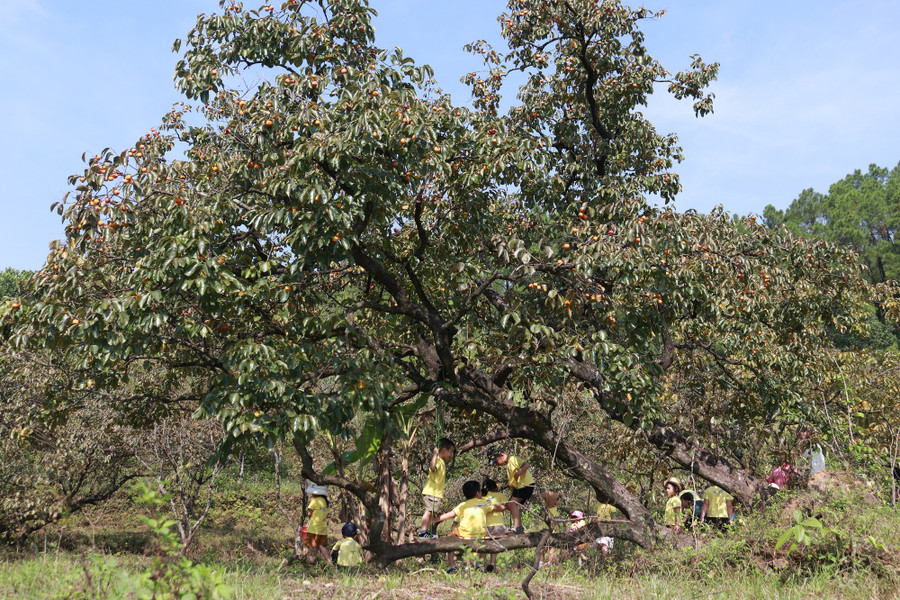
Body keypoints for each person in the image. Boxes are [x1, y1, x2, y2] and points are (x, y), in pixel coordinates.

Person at [433, 480, 488, 572]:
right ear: (478, 493)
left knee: (449, 539)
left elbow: (451, 514)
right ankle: (480, 565)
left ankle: (451, 566)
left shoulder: (464, 505)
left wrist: (436, 519)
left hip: (464, 532)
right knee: (485, 543)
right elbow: (497, 507)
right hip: (481, 533)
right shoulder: (485, 503)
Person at [489, 449, 535, 534]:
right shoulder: (508, 466)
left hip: (525, 485)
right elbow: (512, 483)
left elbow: (526, 465)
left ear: (502, 455)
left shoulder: (513, 459)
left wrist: (519, 473)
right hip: (519, 488)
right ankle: (518, 527)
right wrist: (512, 491)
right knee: (510, 504)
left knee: (511, 504)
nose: (496, 464)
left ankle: (518, 528)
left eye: (496, 461)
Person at [418, 437, 455, 539]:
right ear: (444, 450)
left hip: (436, 494)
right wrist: (434, 454)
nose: (451, 455)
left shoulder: (442, 462)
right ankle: (423, 531)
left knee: (432, 513)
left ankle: (426, 532)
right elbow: (432, 467)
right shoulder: (438, 460)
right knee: (429, 511)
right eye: (450, 452)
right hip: (431, 492)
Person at [481, 478, 509, 572]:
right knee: (495, 544)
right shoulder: (499, 495)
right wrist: (501, 508)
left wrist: (492, 508)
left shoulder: (481, 496)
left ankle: (481, 564)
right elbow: (509, 505)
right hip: (499, 523)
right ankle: (492, 563)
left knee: (484, 544)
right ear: (495, 488)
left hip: (485, 524)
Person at [304, 482, 332, 564]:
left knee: (306, 544)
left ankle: (303, 559)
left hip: (314, 527)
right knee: (320, 545)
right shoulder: (325, 501)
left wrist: (310, 517)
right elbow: (329, 515)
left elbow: (309, 513)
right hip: (323, 528)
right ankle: (328, 562)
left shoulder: (314, 501)